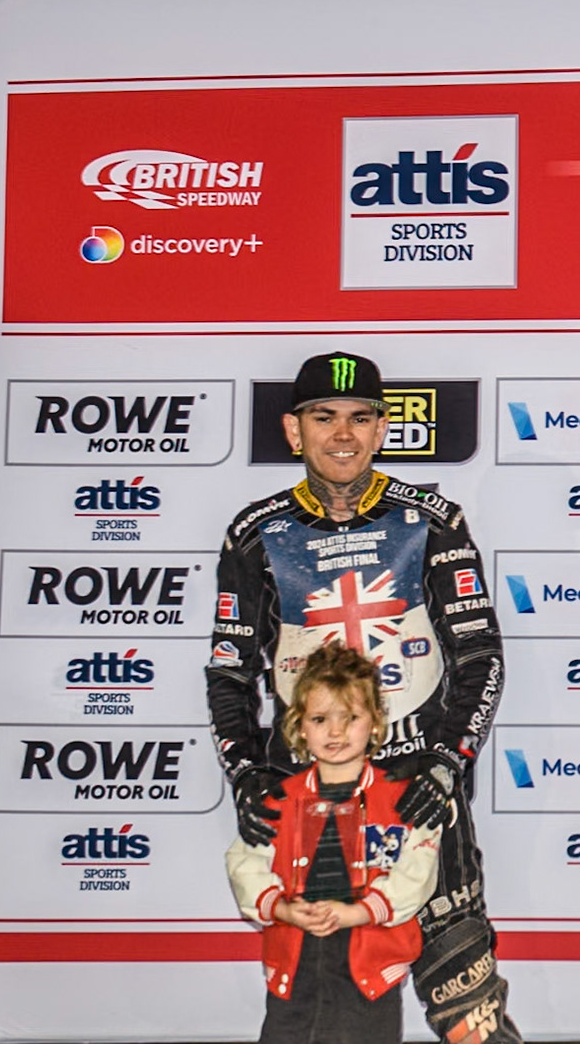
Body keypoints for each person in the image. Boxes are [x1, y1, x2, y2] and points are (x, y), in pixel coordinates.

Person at [207, 352, 518, 1044]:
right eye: (324, 417)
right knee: (321, 1004)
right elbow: (228, 671)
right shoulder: (254, 533)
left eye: (360, 417)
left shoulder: (432, 519)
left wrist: (446, 764)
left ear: (382, 430)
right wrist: (247, 773)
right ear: (294, 430)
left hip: (414, 791)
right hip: (309, 796)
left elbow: (480, 657)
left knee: (465, 997)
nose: (342, 434)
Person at [227, 644, 441, 1044]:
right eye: (321, 718)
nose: (336, 731)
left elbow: (417, 872)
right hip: (295, 962)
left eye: (351, 718)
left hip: (369, 971)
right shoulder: (276, 800)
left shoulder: (404, 799)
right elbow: (244, 864)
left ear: (376, 723)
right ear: (300, 725)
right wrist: (283, 908)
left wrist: (359, 912)